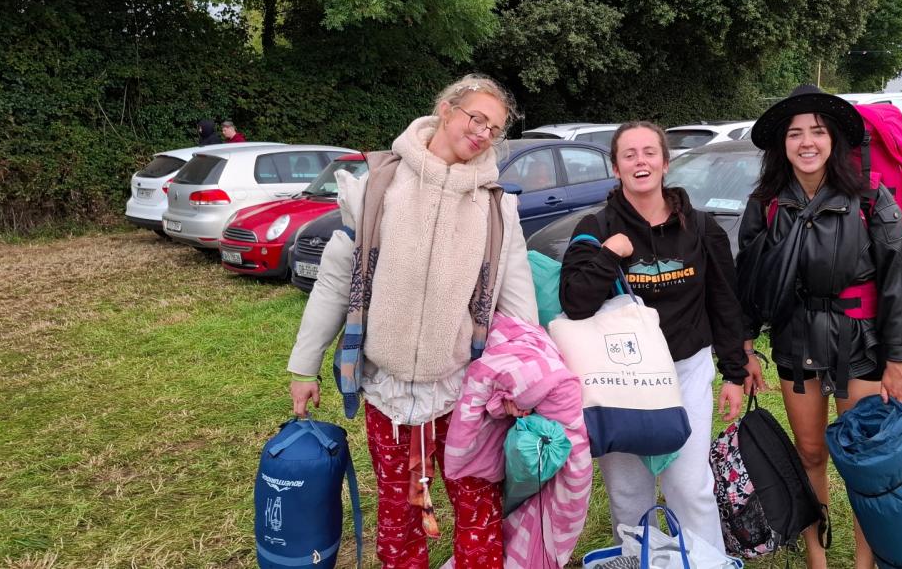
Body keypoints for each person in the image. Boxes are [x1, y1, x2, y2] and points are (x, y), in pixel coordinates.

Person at [286, 74, 538, 569]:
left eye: (495, 128)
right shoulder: (377, 186)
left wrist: (524, 380)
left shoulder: (497, 207)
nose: (483, 133)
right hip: (388, 391)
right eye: (476, 118)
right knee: (399, 511)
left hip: (463, 391)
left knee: (477, 507)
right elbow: (337, 282)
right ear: (445, 109)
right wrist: (304, 365)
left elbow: (517, 303)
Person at [559, 121, 764, 552]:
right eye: (629, 154)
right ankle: (641, 557)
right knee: (629, 493)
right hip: (621, 378)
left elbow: (725, 303)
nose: (641, 161)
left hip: (686, 369)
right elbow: (575, 303)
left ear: (666, 163)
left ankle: (705, 559)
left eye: (650, 152)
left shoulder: (701, 227)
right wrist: (608, 255)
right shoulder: (595, 227)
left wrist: (733, 372)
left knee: (689, 485)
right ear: (616, 167)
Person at [736, 85, 902, 569]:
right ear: (783, 145)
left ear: (833, 139)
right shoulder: (766, 203)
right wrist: (745, 349)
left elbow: (899, 282)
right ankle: (817, 559)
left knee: (861, 457)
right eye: (795, 133)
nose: (807, 142)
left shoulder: (869, 197)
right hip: (795, 342)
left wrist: (898, 360)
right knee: (811, 452)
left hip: (859, 342)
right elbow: (749, 281)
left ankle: (864, 562)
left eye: (817, 131)